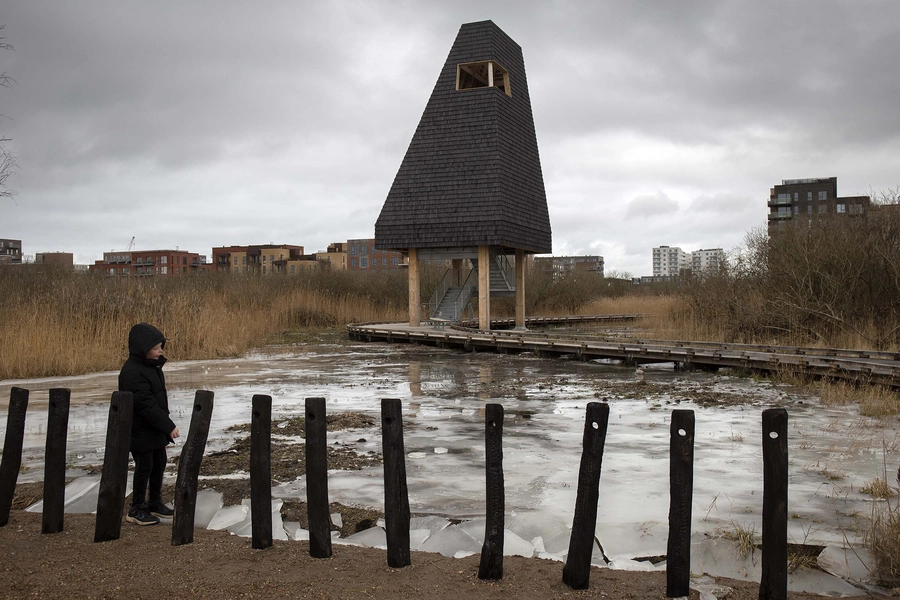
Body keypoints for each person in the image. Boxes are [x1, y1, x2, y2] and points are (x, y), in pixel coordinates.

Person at [119, 322, 180, 526]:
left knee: (158, 464)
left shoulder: (152, 367)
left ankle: (154, 503)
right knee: (144, 467)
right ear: (143, 350)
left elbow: (156, 401)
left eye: (160, 346)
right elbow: (145, 404)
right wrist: (168, 426)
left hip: (153, 429)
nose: (160, 351)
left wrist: (162, 426)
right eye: (156, 348)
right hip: (139, 430)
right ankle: (136, 508)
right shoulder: (132, 373)